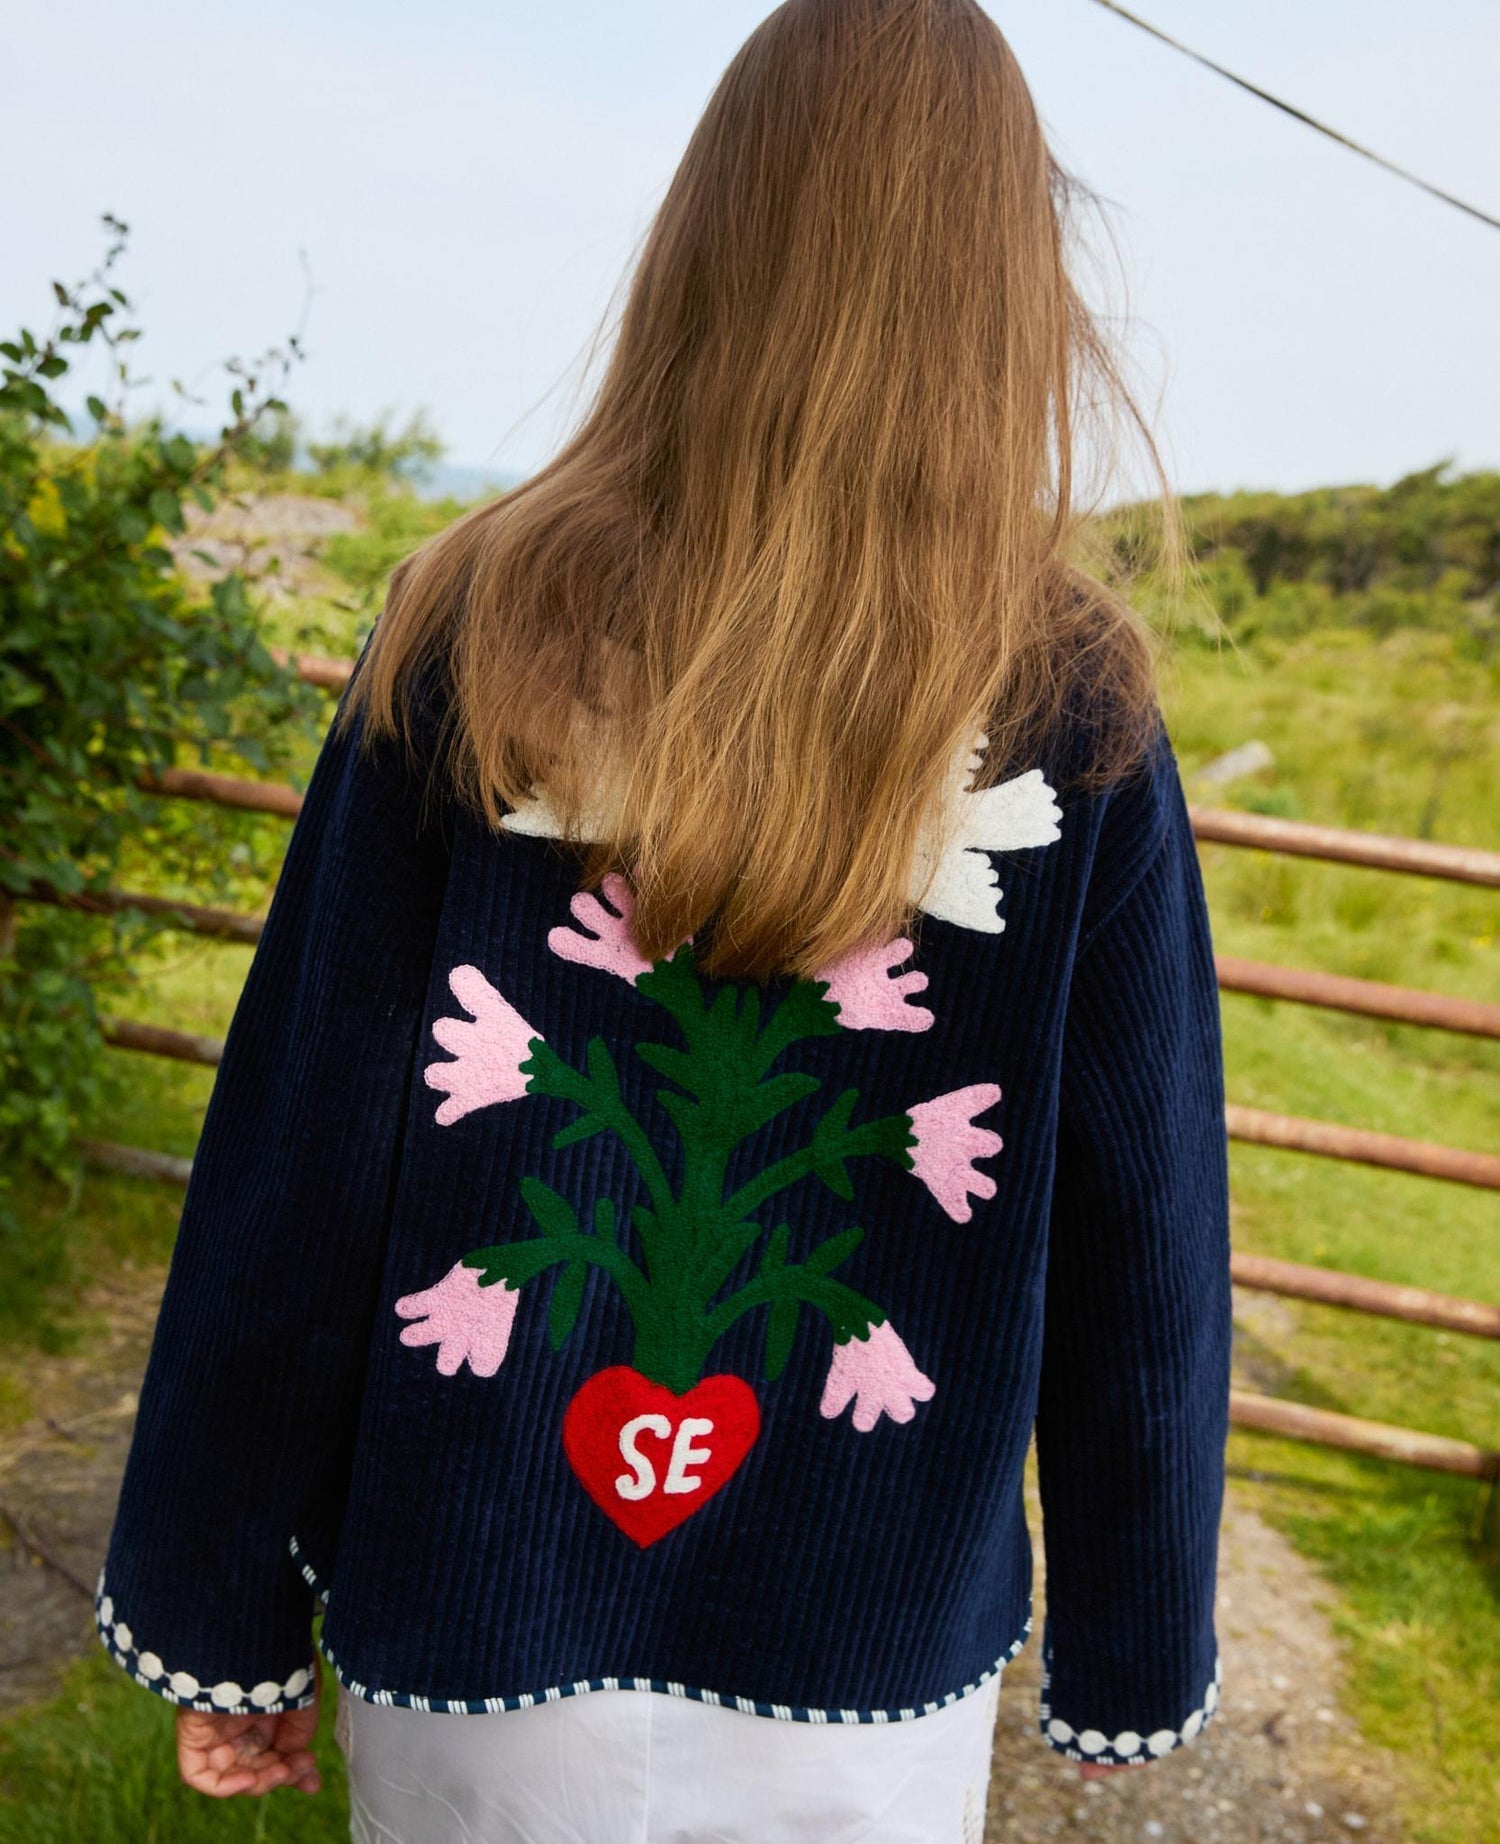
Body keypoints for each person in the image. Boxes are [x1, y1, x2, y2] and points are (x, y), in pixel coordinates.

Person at [97, 2, 1233, 1838]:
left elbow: (302, 1154)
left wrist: (219, 1603)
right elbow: (1145, 1223)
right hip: (862, 1679)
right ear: (1016, 284)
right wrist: (1134, 1639)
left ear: (707, 229)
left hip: (472, 1630)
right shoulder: (1072, 691)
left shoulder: (472, 616)